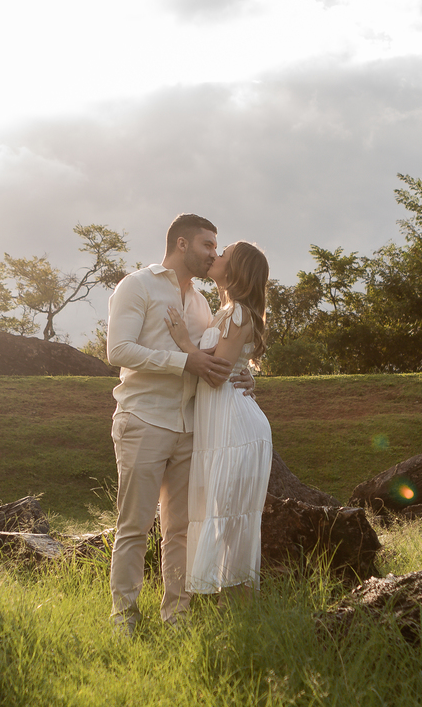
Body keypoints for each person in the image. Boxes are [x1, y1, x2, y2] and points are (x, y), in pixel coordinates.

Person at [105, 213, 253, 635]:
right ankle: (124, 619)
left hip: (190, 428)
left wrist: (243, 372)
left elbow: (215, 358)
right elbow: (118, 350)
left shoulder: (202, 303)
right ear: (183, 244)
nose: (214, 254)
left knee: (181, 531)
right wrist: (182, 361)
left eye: (216, 247)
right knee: (134, 526)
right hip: (142, 419)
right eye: (208, 245)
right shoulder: (137, 284)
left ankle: (177, 618)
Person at [164, 241, 272, 602]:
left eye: (222, 253)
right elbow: (224, 364)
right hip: (221, 423)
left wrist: (182, 340)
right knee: (221, 512)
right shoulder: (226, 311)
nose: (215, 256)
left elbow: (214, 375)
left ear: (235, 268)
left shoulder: (238, 312)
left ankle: (235, 604)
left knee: (227, 512)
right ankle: (226, 604)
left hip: (235, 428)